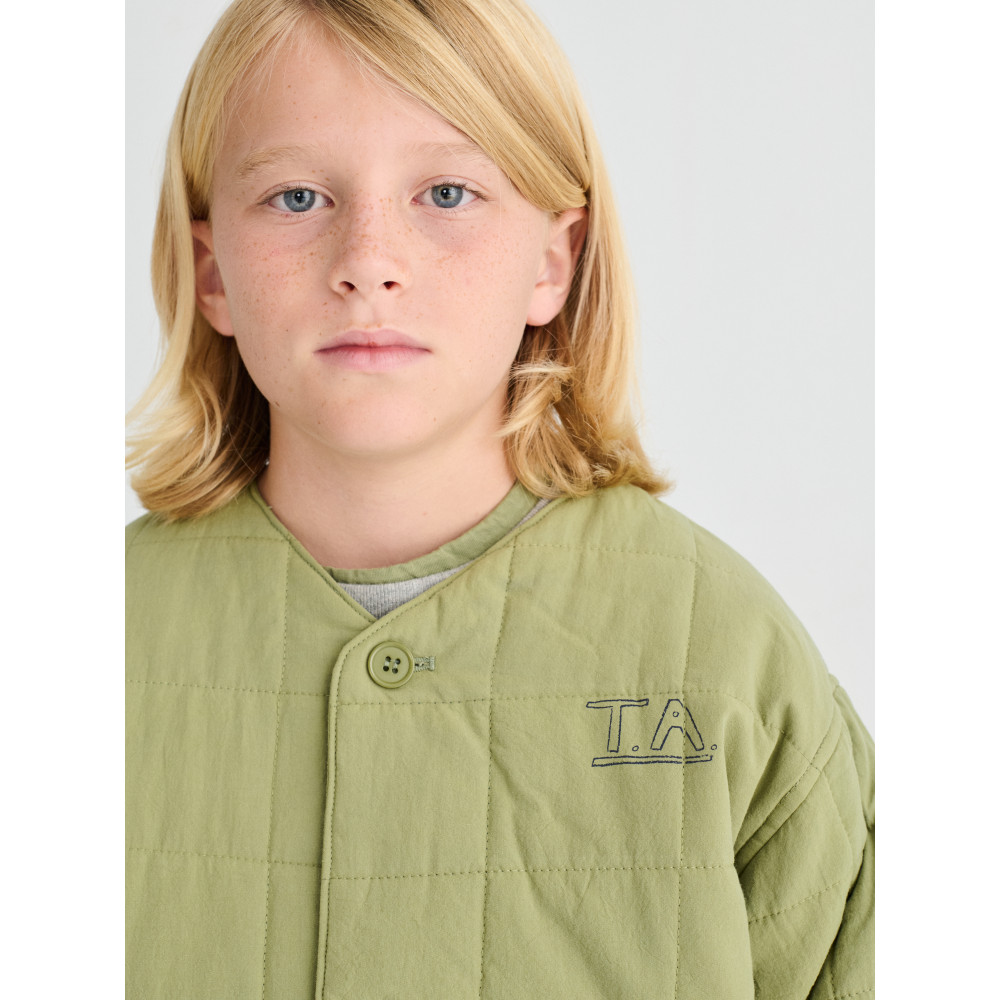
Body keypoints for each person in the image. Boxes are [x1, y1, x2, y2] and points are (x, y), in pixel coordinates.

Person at [125, 0, 874, 996]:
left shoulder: (729, 654)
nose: (368, 262)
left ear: (553, 263)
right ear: (212, 271)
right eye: (297, 197)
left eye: (446, 192)